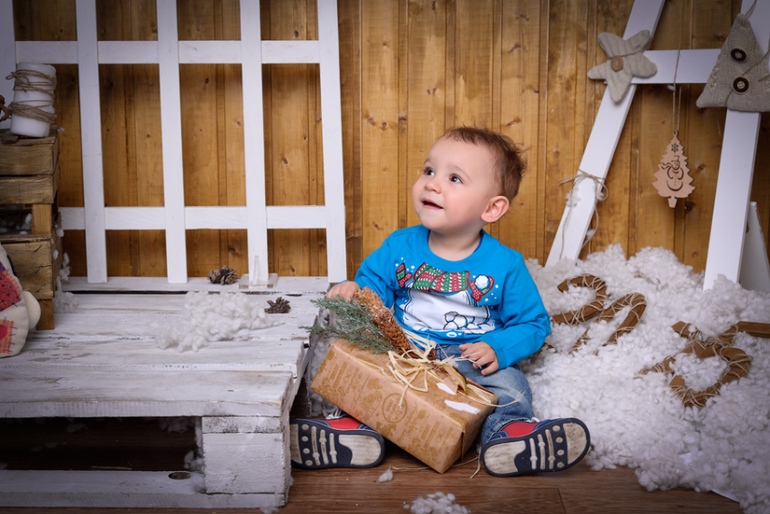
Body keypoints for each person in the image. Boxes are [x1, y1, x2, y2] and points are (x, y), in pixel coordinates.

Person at [291, 126, 590, 477]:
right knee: (364, 372)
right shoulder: (400, 246)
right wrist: (355, 291)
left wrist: (497, 348)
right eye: (429, 170)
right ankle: (355, 431)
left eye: (454, 178)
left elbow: (533, 323)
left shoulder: (506, 265)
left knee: (510, 384)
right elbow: (374, 286)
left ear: (491, 208)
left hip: (468, 359)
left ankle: (509, 434)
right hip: (403, 351)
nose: (432, 184)